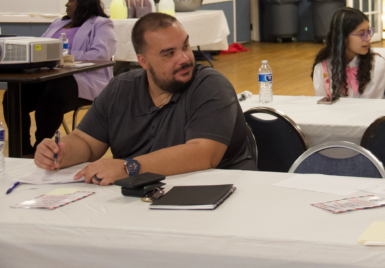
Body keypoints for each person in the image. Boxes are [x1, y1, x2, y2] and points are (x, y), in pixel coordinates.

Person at [34, 13, 257, 184]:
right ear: (143, 62)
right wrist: (61, 152)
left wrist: (128, 167)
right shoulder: (121, 89)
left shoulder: (210, 86)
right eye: (169, 53)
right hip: (146, 195)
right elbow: (86, 142)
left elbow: (202, 155)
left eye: (186, 46)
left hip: (220, 191)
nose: (184, 58)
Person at [4, 0, 117, 155]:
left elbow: (101, 54)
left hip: (83, 78)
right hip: (48, 75)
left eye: (71, 0)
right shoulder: (59, 22)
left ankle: (41, 148)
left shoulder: (101, 24)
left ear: (83, 3)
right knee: (15, 95)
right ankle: (21, 148)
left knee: (52, 95)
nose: (67, 4)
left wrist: (63, 56)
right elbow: (40, 45)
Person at [312, 7, 385, 99]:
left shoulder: (377, 65)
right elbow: (324, 105)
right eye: (361, 34)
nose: (368, 38)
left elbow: (369, 106)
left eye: (368, 32)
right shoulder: (322, 68)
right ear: (343, 37)